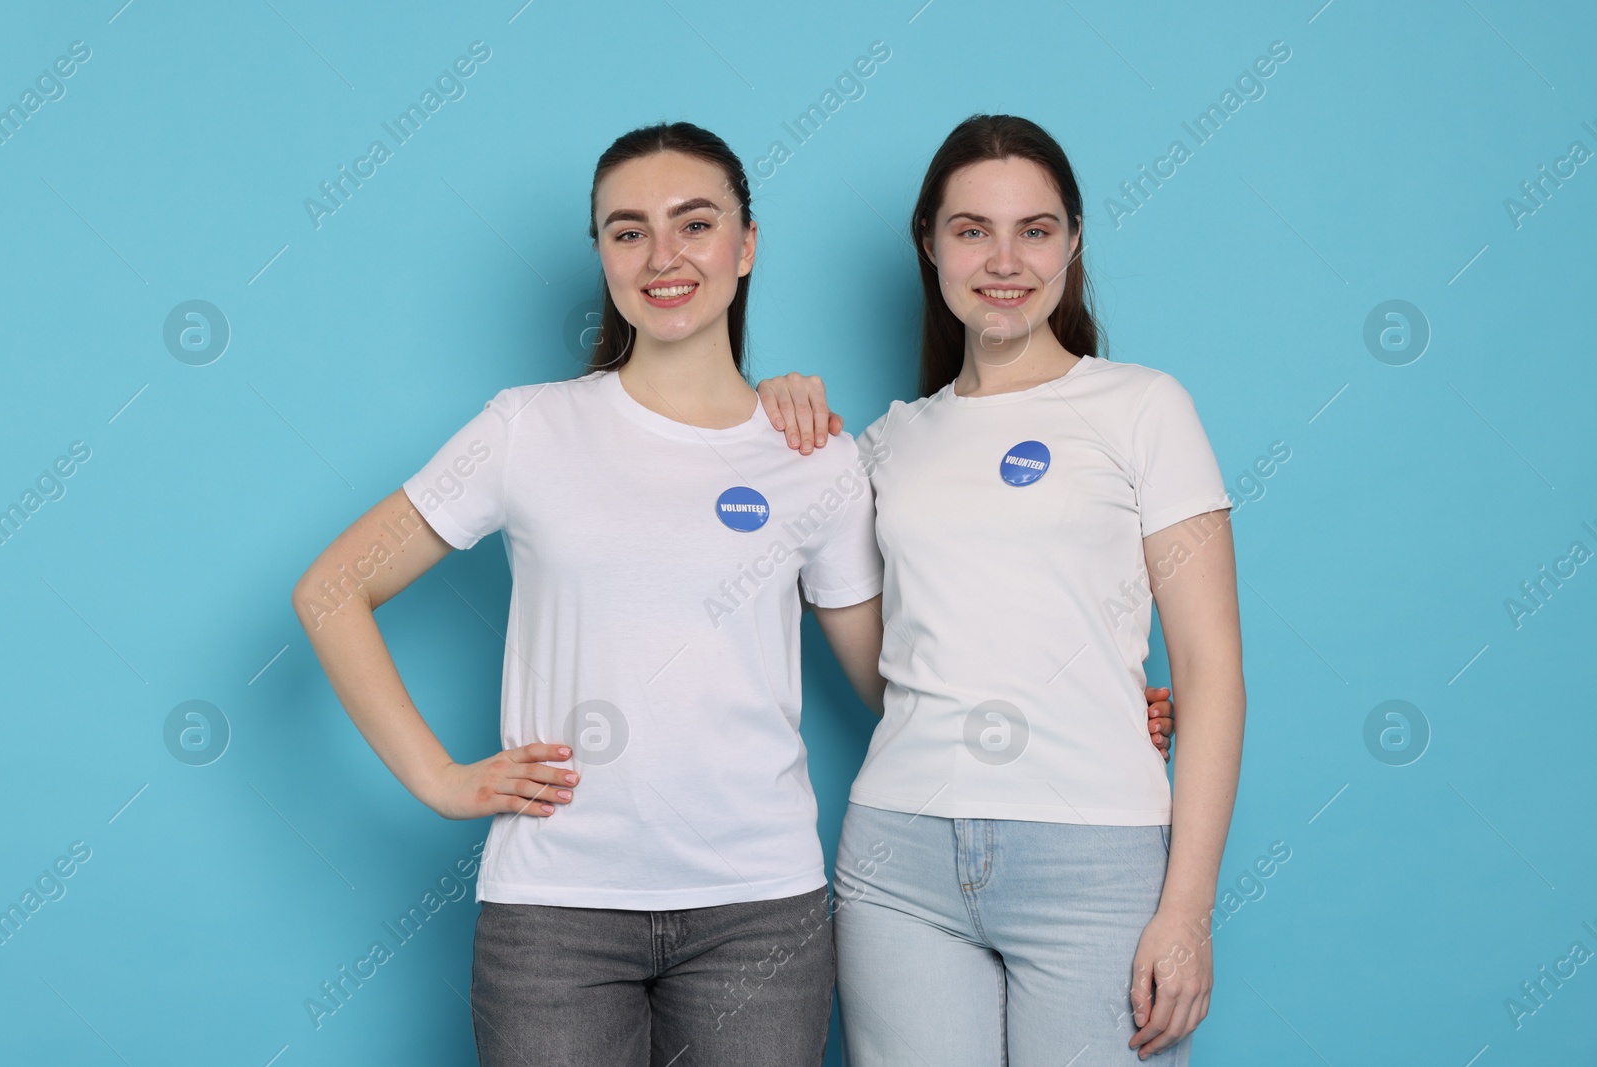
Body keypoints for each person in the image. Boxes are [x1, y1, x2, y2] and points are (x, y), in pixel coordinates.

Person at [293, 120, 1175, 1067]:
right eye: (628, 231)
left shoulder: (817, 459)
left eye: (695, 223)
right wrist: (438, 777)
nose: (663, 256)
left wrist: (1077, 704)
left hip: (761, 916)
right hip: (556, 915)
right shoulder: (529, 429)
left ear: (746, 244)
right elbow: (330, 589)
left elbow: (901, 678)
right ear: (602, 254)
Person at [755, 113, 1245, 1065]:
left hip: (1096, 858)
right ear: (929, 243)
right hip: (899, 859)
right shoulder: (887, 444)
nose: (1004, 259)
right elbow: (895, 673)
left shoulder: (1144, 408)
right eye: (972, 229)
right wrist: (775, 415)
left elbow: (1211, 670)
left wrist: (1186, 907)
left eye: (1037, 229)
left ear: (1072, 242)